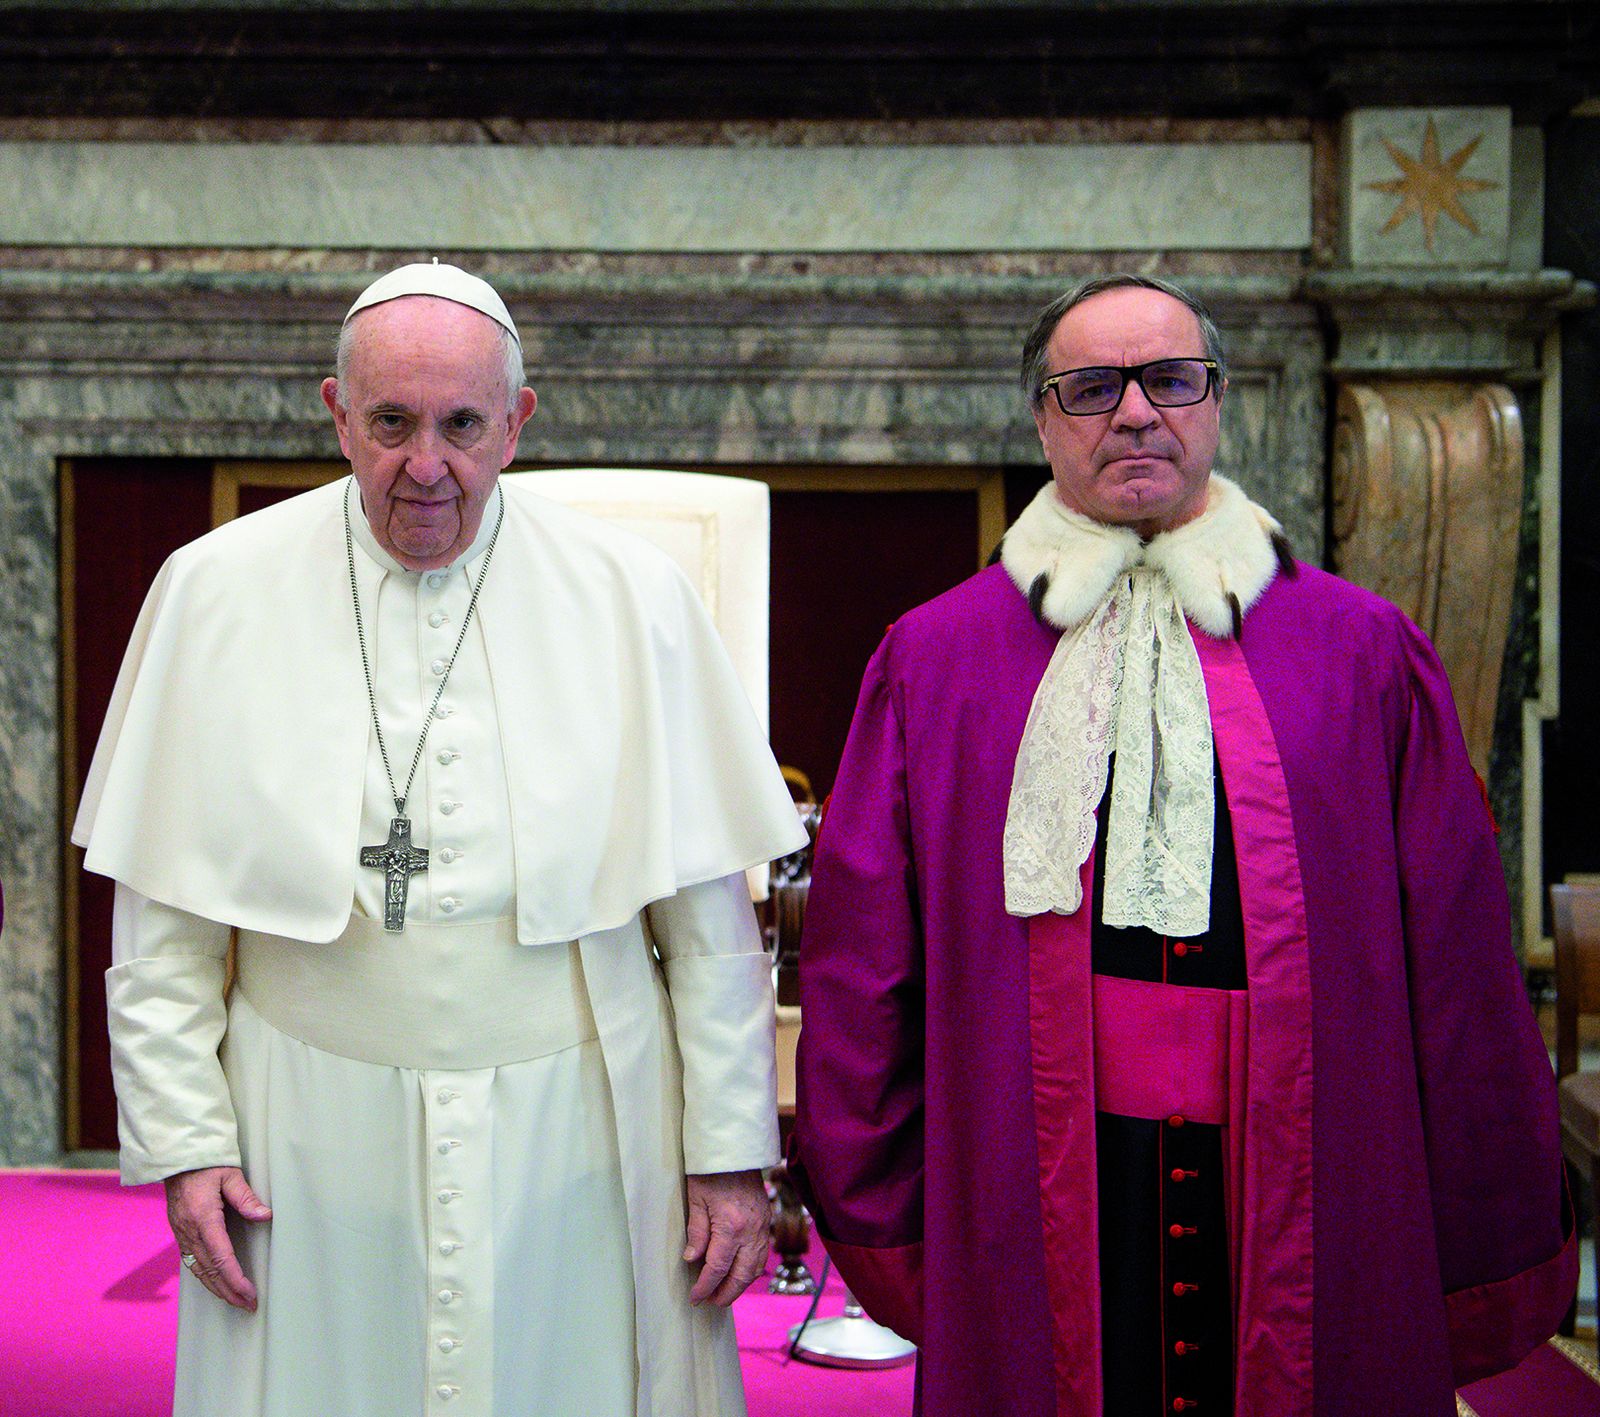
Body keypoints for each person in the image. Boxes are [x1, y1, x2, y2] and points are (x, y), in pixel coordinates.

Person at [789, 275, 1575, 1416]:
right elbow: (863, 961)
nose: (1136, 412)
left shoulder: (1360, 654)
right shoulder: (932, 663)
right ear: (1042, 417)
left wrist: (1482, 1203)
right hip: (1032, 1163)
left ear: (1219, 401)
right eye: (1091, 386)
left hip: (1308, 1164)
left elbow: (1455, 958)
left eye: (1170, 378)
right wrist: (883, 1200)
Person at [74, 261, 808, 1417]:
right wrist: (184, 1143)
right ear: (334, 413)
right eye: (391, 424)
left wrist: (725, 1147)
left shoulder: (631, 595)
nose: (427, 467)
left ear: (516, 423)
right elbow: (163, 929)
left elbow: (708, 921)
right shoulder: (214, 592)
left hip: (581, 1135)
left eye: (463, 424)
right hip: (305, 1139)